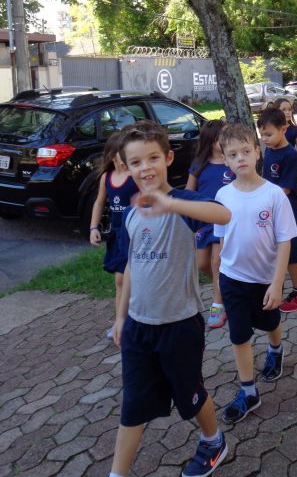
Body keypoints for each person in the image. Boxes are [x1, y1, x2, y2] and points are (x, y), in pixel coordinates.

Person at [110, 120, 231, 477]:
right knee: (133, 405)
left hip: (179, 324)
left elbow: (223, 214)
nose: (145, 168)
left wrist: (171, 204)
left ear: (168, 158)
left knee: (190, 396)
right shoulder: (131, 214)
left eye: (152, 158)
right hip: (138, 327)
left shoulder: (183, 202)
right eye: (136, 162)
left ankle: (213, 440)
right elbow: (132, 265)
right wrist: (121, 317)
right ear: (125, 167)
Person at [214, 123, 297, 424]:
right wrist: (218, 282)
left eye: (246, 151)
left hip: (264, 279)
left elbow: (285, 240)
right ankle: (249, 391)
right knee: (239, 335)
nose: (240, 158)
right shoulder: (223, 195)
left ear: (257, 153)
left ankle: (276, 349)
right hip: (232, 278)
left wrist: (277, 283)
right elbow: (221, 240)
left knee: (270, 322)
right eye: (233, 154)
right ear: (225, 159)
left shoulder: (274, 195)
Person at [257, 108, 297, 313]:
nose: (264, 139)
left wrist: (259, 197)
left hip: (287, 212)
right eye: (262, 135)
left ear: (283, 129)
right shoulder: (270, 149)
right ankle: (273, 289)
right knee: (272, 252)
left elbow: (285, 189)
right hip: (270, 210)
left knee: (291, 255)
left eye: (268, 134)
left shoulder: (290, 155)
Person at [186, 119, 235, 329]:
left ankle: (218, 304)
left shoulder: (231, 162)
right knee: (202, 264)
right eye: (221, 137)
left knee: (216, 262)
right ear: (211, 140)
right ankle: (224, 286)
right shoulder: (199, 165)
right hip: (203, 223)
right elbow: (188, 192)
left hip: (223, 220)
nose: (225, 140)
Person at [90, 131, 138, 340]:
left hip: (136, 234)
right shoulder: (106, 178)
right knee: (120, 281)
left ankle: (130, 318)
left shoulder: (135, 176)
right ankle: (121, 321)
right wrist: (93, 228)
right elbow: (99, 202)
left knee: (129, 279)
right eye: (123, 153)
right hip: (118, 236)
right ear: (112, 155)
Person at [273, 98, 297, 185]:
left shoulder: (295, 130)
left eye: (290, 109)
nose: (288, 112)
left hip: (289, 166)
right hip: (274, 166)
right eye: (283, 110)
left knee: (288, 189)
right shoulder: (272, 128)